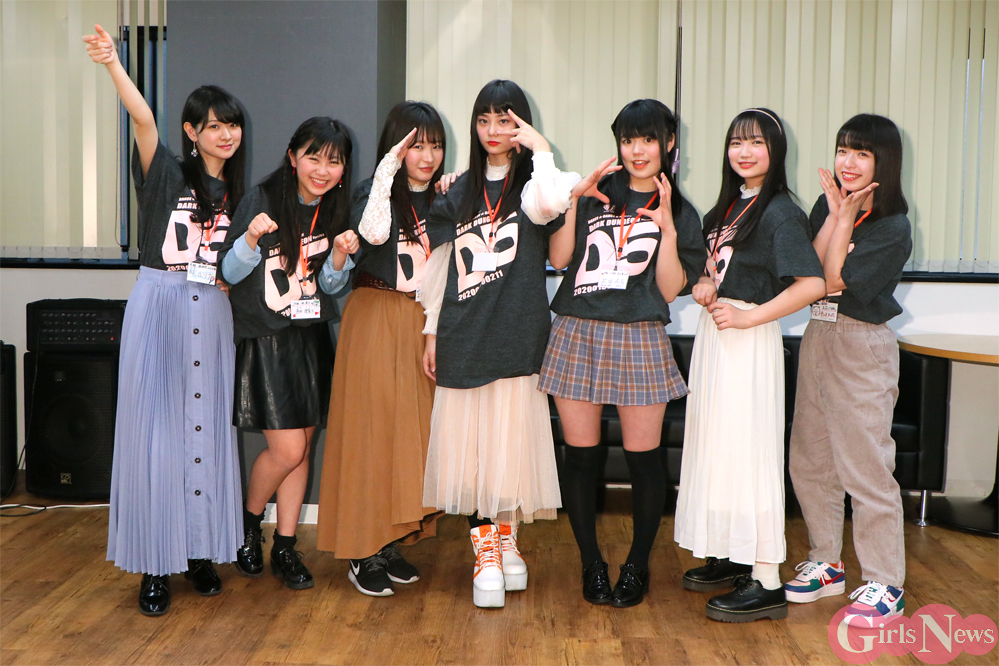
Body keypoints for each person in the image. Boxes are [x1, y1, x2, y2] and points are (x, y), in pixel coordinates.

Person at [84, 24, 246, 616]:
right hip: (160, 306)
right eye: (213, 125)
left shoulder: (239, 194)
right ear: (191, 132)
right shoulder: (167, 173)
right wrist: (113, 63)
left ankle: (199, 552)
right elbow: (142, 119)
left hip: (212, 311)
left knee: (206, 432)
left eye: (232, 125)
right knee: (156, 437)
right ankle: (156, 563)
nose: (225, 134)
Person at [420, 79, 579, 608]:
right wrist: (431, 331)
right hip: (464, 334)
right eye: (484, 119)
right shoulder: (457, 190)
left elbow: (559, 250)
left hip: (518, 332)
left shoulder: (535, 187)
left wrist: (543, 153)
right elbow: (439, 270)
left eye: (505, 121)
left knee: (510, 449)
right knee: (472, 455)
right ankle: (485, 552)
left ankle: (507, 542)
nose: (493, 131)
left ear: (522, 126)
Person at [542, 99, 705, 608]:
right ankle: (591, 563)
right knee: (581, 456)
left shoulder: (682, 211)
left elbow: (672, 288)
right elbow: (560, 259)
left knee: (644, 459)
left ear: (668, 144)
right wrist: (573, 201)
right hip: (577, 329)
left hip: (639, 335)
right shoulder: (596, 192)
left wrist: (668, 228)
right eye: (628, 139)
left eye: (648, 139)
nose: (637, 150)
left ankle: (636, 567)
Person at [673, 108, 826, 622]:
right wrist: (703, 285)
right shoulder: (727, 208)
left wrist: (748, 316)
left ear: (775, 151)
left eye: (756, 142)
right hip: (717, 340)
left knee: (749, 454)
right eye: (736, 142)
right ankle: (734, 552)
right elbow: (710, 270)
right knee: (719, 450)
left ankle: (766, 579)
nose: (744, 151)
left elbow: (811, 284)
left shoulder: (780, 211)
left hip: (749, 339)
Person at [218, 117, 358, 591]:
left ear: (343, 169)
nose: (322, 169)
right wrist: (250, 239)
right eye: (313, 157)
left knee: (304, 450)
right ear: (293, 157)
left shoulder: (335, 207)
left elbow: (331, 286)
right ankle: (247, 523)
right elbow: (228, 272)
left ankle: (285, 545)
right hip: (267, 337)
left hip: (310, 337)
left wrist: (339, 257)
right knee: (288, 449)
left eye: (333, 161)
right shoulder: (261, 199)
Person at [784, 114, 911, 625]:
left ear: (884, 161)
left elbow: (835, 279)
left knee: (866, 467)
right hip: (818, 333)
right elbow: (807, 274)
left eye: (861, 153)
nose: (848, 162)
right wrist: (836, 215)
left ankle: (885, 582)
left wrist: (841, 221)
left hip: (862, 344)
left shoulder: (893, 225)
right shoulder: (827, 203)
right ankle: (826, 563)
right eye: (842, 150)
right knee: (810, 460)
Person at [316, 102, 447, 596]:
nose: (427, 156)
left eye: (436, 146)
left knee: (409, 437)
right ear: (396, 148)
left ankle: (389, 539)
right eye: (417, 145)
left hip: (422, 322)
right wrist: (387, 170)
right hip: (375, 316)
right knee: (369, 433)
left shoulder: (444, 198)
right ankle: (361, 549)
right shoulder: (372, 193)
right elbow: (372, 233)